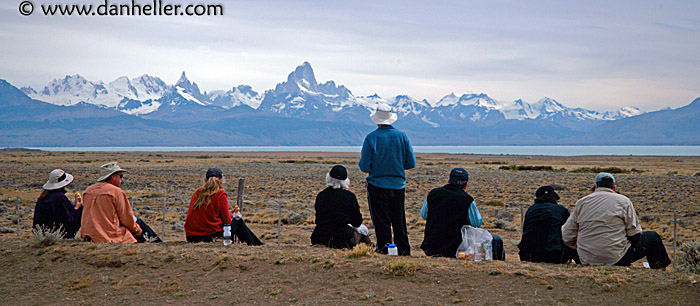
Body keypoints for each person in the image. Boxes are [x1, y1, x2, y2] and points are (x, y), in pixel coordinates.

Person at [561, 173, 671, 269]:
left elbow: (567, 234)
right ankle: (659, 268)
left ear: (595, 186)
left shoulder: (582, 202)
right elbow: (634, 233)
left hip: (585, 259)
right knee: (653, 237)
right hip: (617, 258)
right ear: (614, 187)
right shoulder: (624, 201)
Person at [359, 103, 416, 255]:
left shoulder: (371, 138)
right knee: (399, 220)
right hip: (398, 185)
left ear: (376, 119)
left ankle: (384, 250)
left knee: (381, 221)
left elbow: (364, 166)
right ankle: (403, 250)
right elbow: (411, 163)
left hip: (377, 185)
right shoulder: (402, 136)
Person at [419, 168, 505, 259]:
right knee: (496, 240)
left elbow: (424, 215)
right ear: (466, 185)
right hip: (456, 250)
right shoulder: (467, 200)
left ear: (449, 181)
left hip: (431, 248)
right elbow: (476, 223)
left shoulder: (433, 193)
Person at [81, 162, 161, 243]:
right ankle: (157, 244)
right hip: (109, 234)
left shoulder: (88, 190)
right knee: (139, 223)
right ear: (112, 177)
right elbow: (126, 218)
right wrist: (137, 230)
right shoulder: (116, 192)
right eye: (120, 176)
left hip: (89, 234)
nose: (121, 179)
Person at [184, 168, 262, 245]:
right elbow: (227, 221)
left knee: (237, 222)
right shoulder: (220, 194)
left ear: (205, 179)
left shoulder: (197, 192)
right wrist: (229, 215)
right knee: (238, 221)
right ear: (221, 180)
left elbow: (206, 213)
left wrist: (228, 213)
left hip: (191, 237)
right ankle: (254, 244)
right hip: (210, 236)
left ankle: (255, 243)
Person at [311, 165, 372, 249]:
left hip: (319, 237)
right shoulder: (349, 196)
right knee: (362, 232)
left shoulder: (321, 195)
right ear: (345, 181)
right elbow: (357, 222)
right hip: (342, 238)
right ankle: (373, 249)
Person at [518, 186, 579, 264]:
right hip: (555, 255)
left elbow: (525, 230)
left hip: (529, 255)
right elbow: (568, 232)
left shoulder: (531, 210)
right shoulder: (561, 210)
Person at [32, 169, 83, 238]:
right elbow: (66, 219)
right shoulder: (59, 197)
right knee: (81, 209)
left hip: (43, 232)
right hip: (57, 233)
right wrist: (76, 207)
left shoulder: (44, 196)